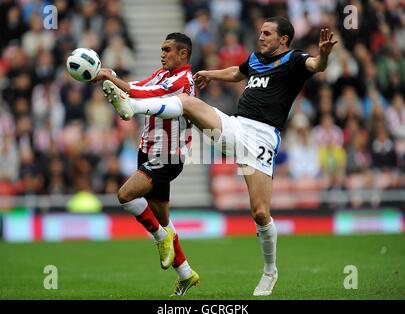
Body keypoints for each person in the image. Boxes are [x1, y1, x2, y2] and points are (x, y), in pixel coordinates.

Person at [103, 17, 338, 296]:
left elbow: (317, 66)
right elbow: (238, 73)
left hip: (262, 139)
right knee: (188, 103)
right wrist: (212, 73)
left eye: (267, 33)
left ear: (283, 39)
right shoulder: (255, 58)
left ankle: (269, 271)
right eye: (260, 31)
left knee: (260, 213)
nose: (260, 36)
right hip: (236, 127)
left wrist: (322, 55)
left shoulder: (295, 59)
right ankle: (131, 106)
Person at [93, 33, 199, 296]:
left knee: (125, 195)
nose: (162, 54)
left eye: (167, 49)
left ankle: (160, 238)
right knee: (163, 219)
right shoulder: (163, 73)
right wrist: (112, 75)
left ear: (183, 54)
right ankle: (186, 273)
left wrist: (110, 79)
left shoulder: (183, 80)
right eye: (161, 49)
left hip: (167, 155)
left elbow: (143, 92)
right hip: (147, 149)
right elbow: (138, 83)